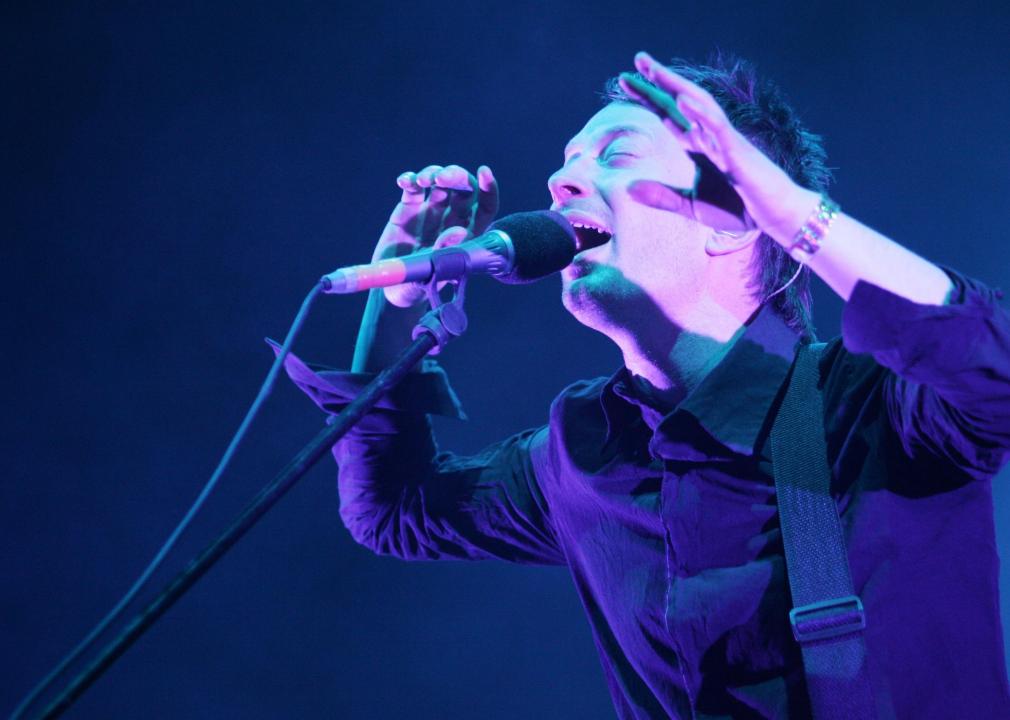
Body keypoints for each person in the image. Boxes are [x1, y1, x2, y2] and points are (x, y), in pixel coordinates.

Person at [280, 51, 1010, 718]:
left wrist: (795, 215)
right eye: (567, 162)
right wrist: (396, 303)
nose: (559, 182)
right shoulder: (581, 452)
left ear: (733, 220)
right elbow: (393, 508)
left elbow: (997, 368)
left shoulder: (875, 407)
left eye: (617, 154)